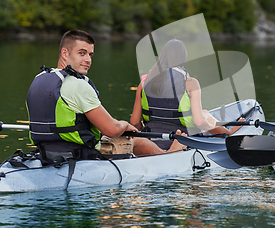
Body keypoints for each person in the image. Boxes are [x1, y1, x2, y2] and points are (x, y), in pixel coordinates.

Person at [26, 30, 182, 164]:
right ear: (65, 53)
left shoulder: (39, 78)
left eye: (90, 54)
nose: (88, 60)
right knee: (137, 140)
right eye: (82, 53)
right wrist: (124, 125)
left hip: (47, 152)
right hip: (80, 154)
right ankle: (168, 156)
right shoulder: (78, 85)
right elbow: (111, 129)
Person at [130, 39, 243, 150]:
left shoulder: (144, 82)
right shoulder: (190, 83)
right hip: (182, 139)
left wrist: (148, 128)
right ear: (183, 58)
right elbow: (199, 122)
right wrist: (212, 125)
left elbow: (134, 122)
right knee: (204, 115)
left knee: (203, 115)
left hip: (150, 140)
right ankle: (229, 132)